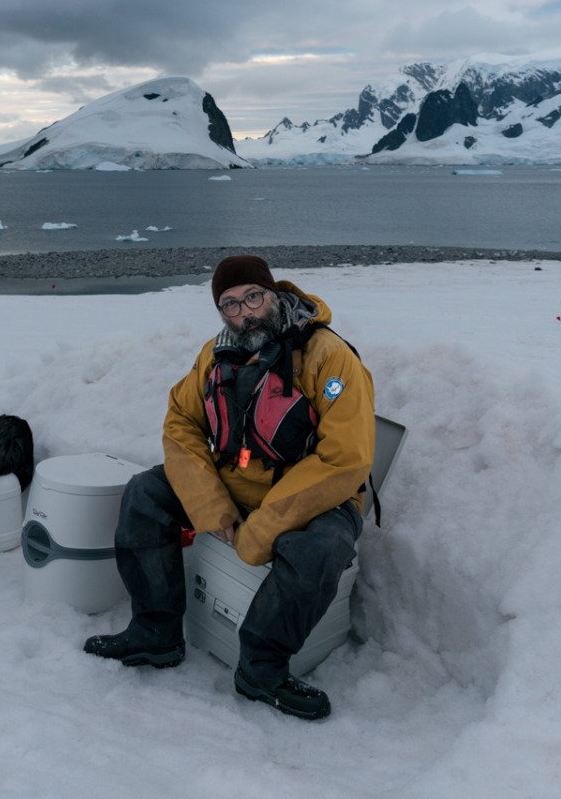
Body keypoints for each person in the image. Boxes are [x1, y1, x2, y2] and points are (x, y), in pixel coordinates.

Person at [82, 254, 375, 720]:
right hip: (234, 484)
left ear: (274, 294)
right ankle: (156, 632)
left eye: (253, 297)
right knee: (145, 494)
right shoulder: (215, 354)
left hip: (316, 496)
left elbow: (345, 459)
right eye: (231, 305)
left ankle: (262, 667)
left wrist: (262, 527)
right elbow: (181, 423)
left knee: (320, 549)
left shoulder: (329, 356)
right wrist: (212, 507)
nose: (245, 313)